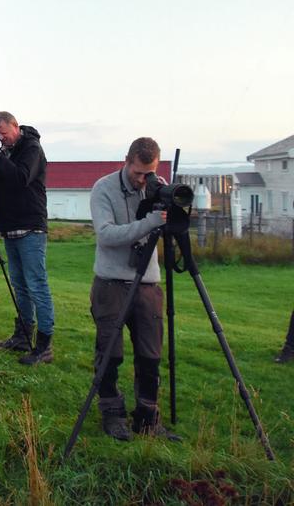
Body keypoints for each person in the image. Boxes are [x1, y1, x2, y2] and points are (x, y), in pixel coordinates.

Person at [89, 136, 180, 442]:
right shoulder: (103, 188)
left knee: (150, 355)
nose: (142, 179)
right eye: (138, 172)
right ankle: (112, 414)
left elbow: (167, 226)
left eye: (148, 172)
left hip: (148, 284)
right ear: (126, 160)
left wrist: (169, 209)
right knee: (110, 353)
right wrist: (151, 221)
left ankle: (147, 418)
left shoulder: (157, 188)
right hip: (111, 282)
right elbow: (106, 235)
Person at [0, 111, 55, 366]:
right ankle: (23, 336)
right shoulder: (7, 152)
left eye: (4, 133)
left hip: (30, 226)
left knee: (36, 284)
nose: (1, 138)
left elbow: (20, 178)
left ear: (15, 126)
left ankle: (44, 345)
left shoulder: (32, 148)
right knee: (20, 285)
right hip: (11, 226)